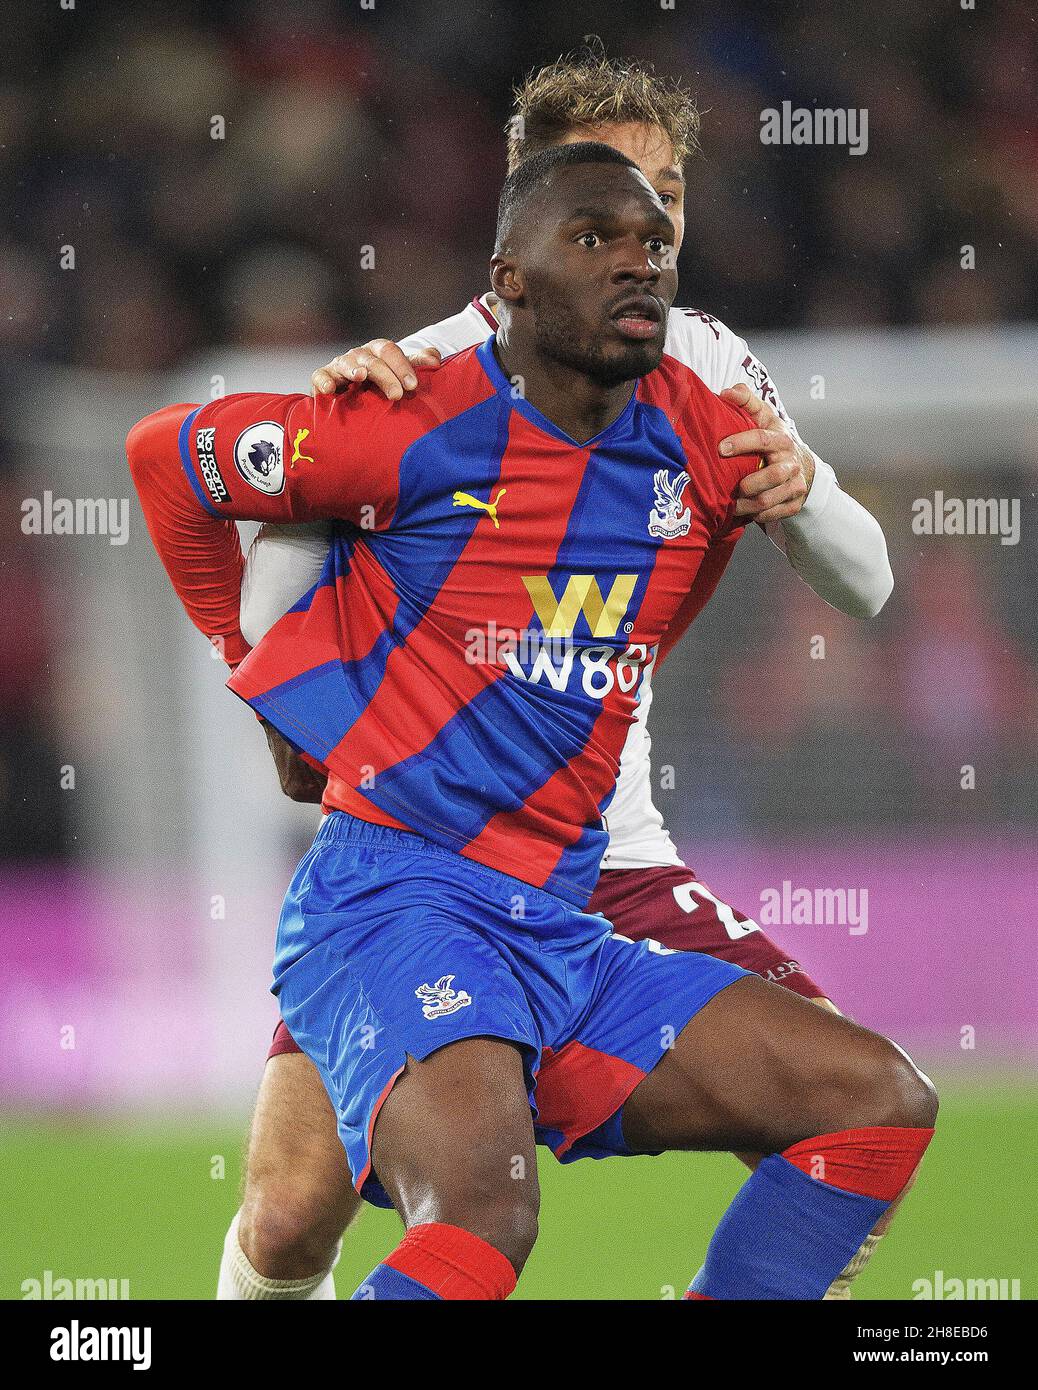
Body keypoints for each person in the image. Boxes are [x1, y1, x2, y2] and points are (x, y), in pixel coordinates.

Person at [128, 142, 935, 1300]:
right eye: (594, 239)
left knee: (877, 1103)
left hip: (563, 913)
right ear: (506, 277)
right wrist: (248, 667)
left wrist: (807, 489)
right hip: (396, 893)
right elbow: (166, 459)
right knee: (471, 1216)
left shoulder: (709, 430)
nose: (636, 265)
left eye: (653, 241)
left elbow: (864, 582)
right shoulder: (402, 417)